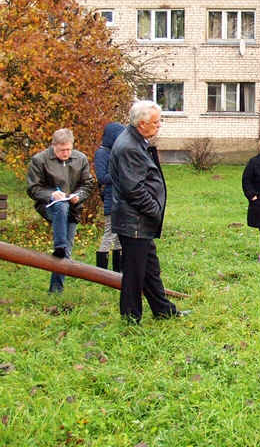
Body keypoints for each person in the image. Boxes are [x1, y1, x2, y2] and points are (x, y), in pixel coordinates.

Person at [110, 101, 190, 322]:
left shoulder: (135, 141)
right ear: (142, 123)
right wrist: (155, 210)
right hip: (134, 220)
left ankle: (164, 311)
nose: (160, 125)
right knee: (135, 274)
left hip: (138, 220)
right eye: (156, 122)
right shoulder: (129, 146)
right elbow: (133, 189)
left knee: (150, 270)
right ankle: (130, 318)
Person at [26, 128, 95, 293]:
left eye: (68, 150)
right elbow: (33, 189)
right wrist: (51, 195)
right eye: (61, 150)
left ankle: (56, 290)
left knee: (66, 252)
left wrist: (78, 196)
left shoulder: (80, 159)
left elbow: (88, 184)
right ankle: (59, 244)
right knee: (61, 205)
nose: (65, 153)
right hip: (49, 206)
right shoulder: (40, 160)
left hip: (73, 208)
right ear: (53, 146)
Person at [94, 122, 125, 271]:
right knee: (110, 234)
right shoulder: (102, 154)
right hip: (111, 200)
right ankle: (102, 271)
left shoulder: (116, 153)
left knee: (120, 235)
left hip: (121, 199)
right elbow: (101, 178)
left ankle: (118, 271)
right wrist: (119, 173)